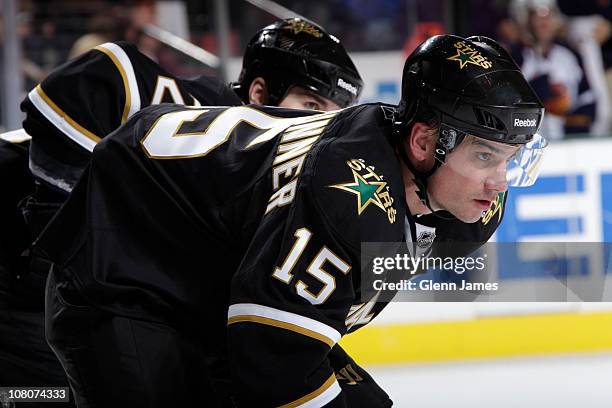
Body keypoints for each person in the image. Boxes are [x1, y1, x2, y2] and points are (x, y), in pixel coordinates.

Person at [37, 34, 546, 407]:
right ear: (422, 142)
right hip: (124, 268)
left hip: (210, 278)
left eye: (512, 158)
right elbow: (273, 360)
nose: (499, 182)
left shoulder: (459, 207)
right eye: (485, 157)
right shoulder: (344, 196)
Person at [1, 17, 362, 405]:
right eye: (311, 104)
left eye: (333, 114)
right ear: (258, 92)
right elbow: (103, 71)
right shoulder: (212, 115)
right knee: (45, 397)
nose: (322, 122)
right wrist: (60, 229)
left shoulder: (272, 177)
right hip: (20, 262)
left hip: (61, 283)